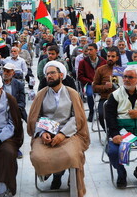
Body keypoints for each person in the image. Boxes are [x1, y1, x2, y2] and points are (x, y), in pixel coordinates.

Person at [28, 61, 90, 196]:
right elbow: (35, 117)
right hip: (46, 132)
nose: (49, 76)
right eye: (47, 74)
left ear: (61, 75)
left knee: (72, 156)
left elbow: (77, 117)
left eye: (52, 73)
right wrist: (43, 132)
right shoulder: (41, 94)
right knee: (38, 156)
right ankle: (54, 174)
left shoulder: (72, 93)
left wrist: (62, 134)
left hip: (69, 133)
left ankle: (65, 180)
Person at [78, 43, 107, 122]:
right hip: (89, 83)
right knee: (90, 94)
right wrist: (90, 82)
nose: (89, 52)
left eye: (91, 50)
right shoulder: (82, 62)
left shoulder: (103, 61)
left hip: (101, 83)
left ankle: (104, 111)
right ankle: (91, 111)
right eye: (88, 50)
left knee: (109, 93)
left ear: (96, 51)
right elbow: (80, 76)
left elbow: (106, 73)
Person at [93, 46, 120, 129]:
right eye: (108, 56)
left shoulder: (121, 70)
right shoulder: (100, 70)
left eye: (113, 56)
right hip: (105, 98)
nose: (110, 58)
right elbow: (94, 87)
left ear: (117, 58)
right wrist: (105, 87)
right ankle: (109, 133)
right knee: (101, 114)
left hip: (120, 99)